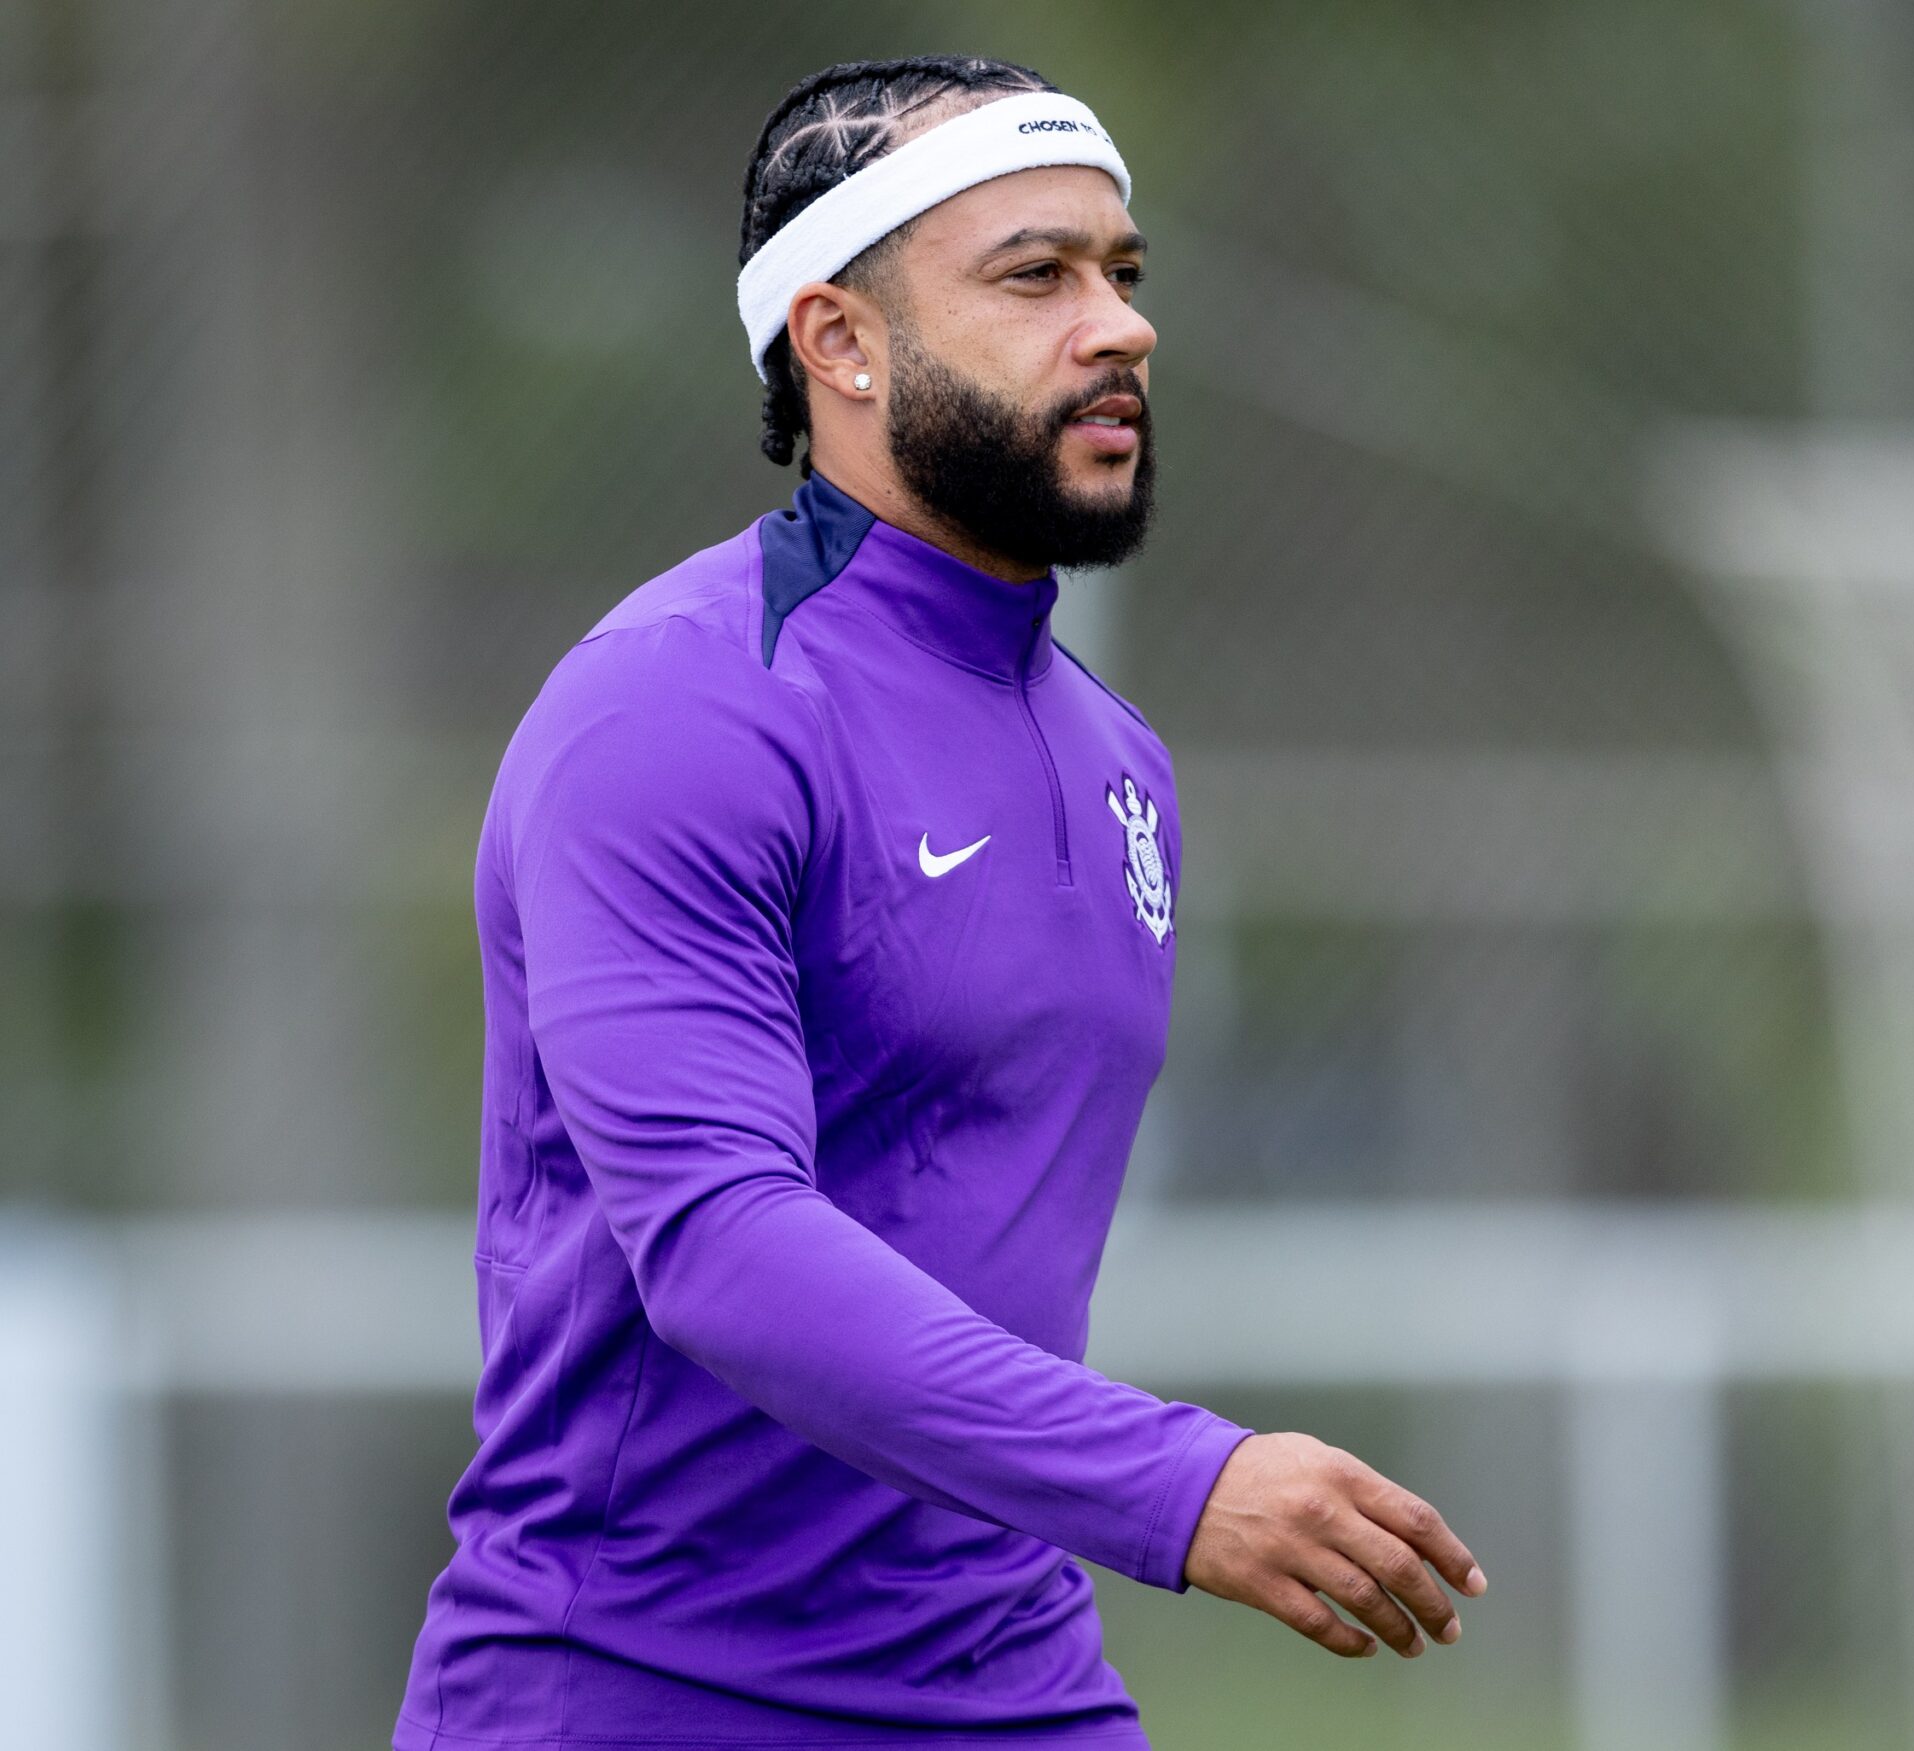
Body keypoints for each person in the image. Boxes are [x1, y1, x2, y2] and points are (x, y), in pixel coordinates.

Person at [393, 54, 1485, 1751]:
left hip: (1013, 1689)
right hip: (642, 1701)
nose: (1118, 327)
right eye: (1034, 275)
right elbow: (720, 1247)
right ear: (838, 340)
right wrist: (1179, 1483)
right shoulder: (677, 714)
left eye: (1123, 276)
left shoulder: (1121, 762)